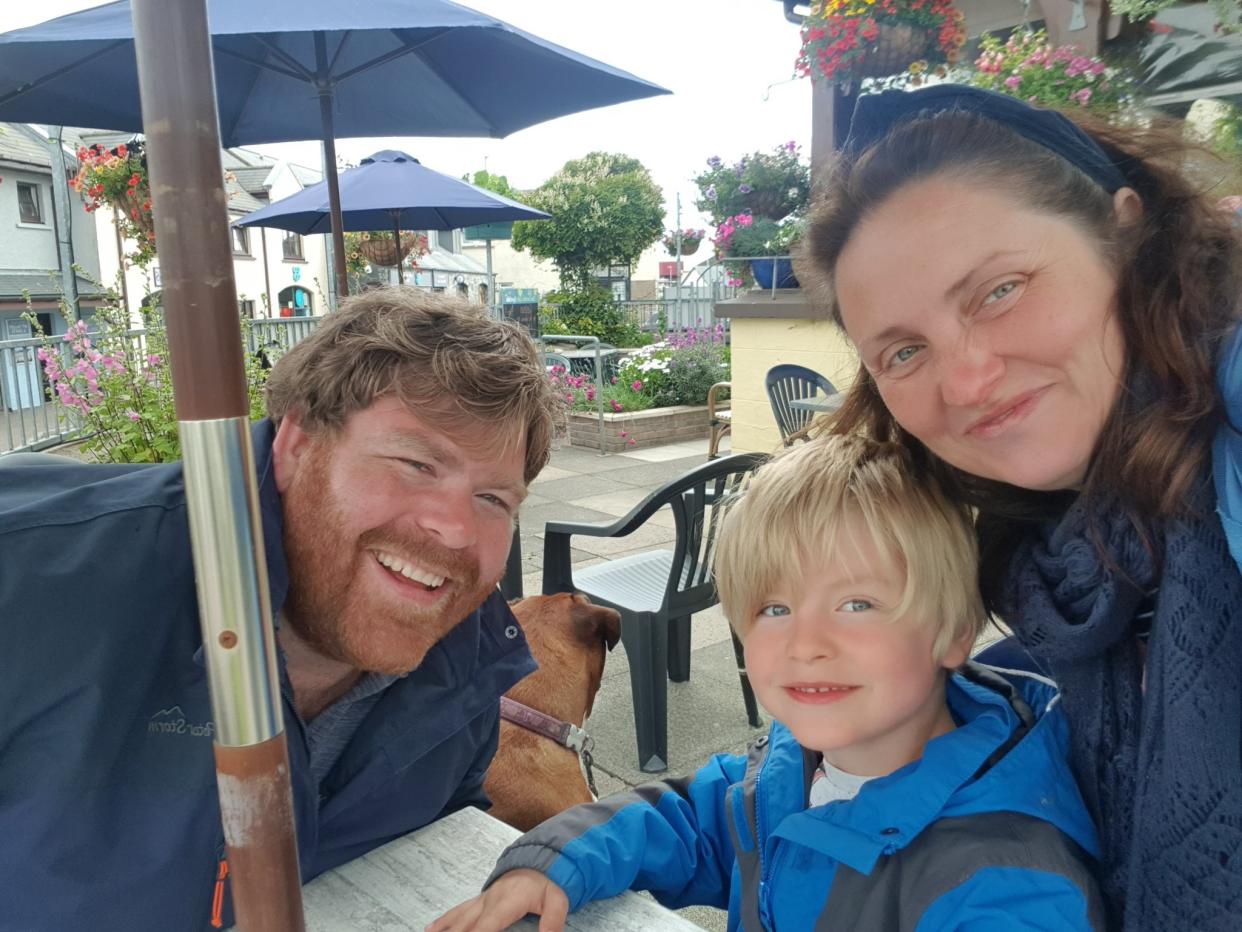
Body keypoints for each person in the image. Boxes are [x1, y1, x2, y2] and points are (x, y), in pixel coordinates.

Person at [796, 84, 1242, 931]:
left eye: (999, 291)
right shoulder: (1056, 558)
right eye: (903, 350)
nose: (965, 381)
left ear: (1126, 231)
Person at [0, 288, 557, 931]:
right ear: (295, 447)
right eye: (415, 462)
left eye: (493, 499)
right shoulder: (34, 588)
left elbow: (441, 837)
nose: (456, 530)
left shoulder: (466, 663)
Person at [429, 435, 1105, 931]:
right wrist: (545, 865)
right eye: (774, 609)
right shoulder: (782, 776)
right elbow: (682, 822)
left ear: (954, 632)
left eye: (858, 604)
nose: (806, 644)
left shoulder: (1005, 888)